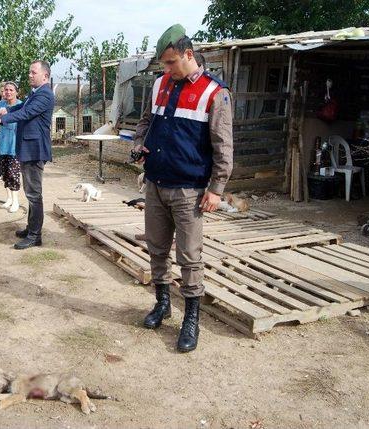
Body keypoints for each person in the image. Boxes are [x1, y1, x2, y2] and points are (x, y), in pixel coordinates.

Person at [133, 24, 233, 352]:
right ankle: (163, 304)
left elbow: (223, 146)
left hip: (189, 189)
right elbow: (146, 121)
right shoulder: (161, 84)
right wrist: (138, 144)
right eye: (163, 64)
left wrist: (216, 188)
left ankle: (191, 320)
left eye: (171, 63)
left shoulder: (214, 93)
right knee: (157, 249)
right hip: (156, 183)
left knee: (190, 257)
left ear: (188, 55)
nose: (167, 70)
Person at [0, 60, 55, 250]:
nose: (30, 75)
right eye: (29, 72)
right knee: (30, 192)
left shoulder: (45, 95)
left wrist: (1, 117)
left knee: (34, 194)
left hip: (35, 150)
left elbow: (27, 113)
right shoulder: (36, 93)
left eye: (33, 72)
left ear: (45, 76)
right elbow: (23, 107)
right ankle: (31, 229)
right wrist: (8, 109)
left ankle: (35, 236)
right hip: (28, 148)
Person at [0, 81, 23, 213]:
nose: (8, 92)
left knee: (14, 173)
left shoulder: (21, 105)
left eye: (11, 90)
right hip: (2, 142)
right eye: (6, 90)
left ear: (16, 92)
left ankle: (16, 201)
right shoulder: (0, 104)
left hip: (15, 143)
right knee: (5, 172)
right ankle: (9, 198)